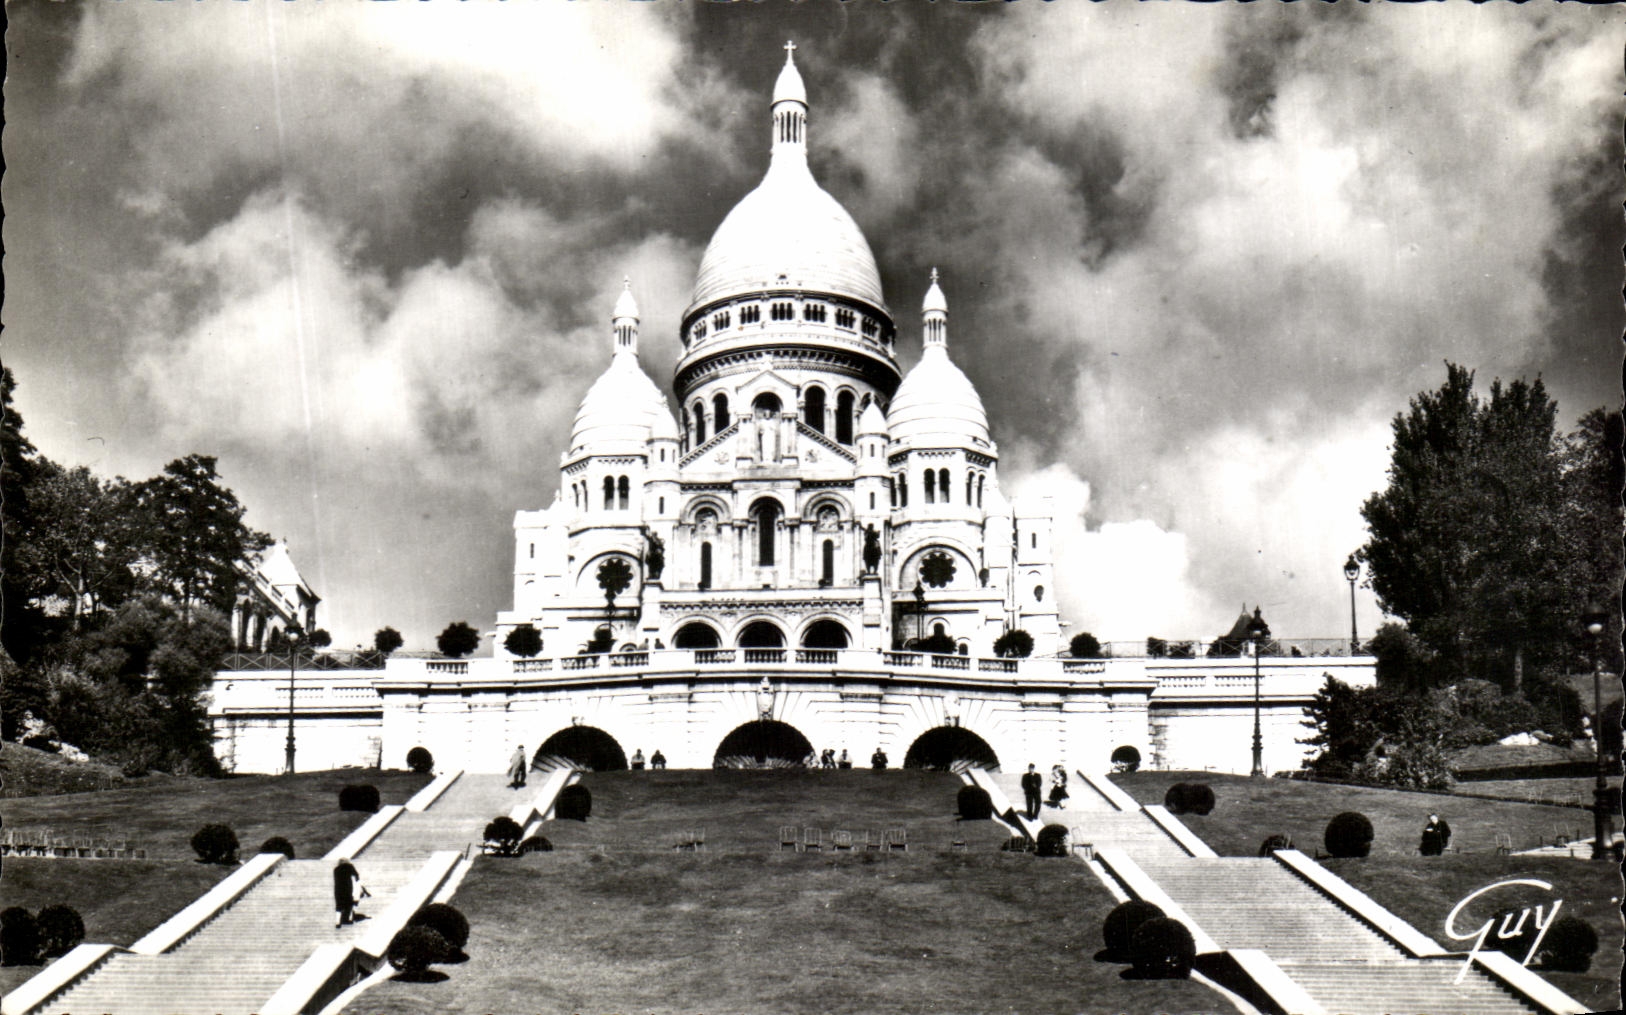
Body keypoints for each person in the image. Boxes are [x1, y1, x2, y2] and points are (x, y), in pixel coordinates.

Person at [333, 857, 368, 927]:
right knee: (349, 904)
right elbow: (356, 875)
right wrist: (360, 887)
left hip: (338, 889)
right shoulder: (349, 867)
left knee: (339, 906)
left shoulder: (336, 869)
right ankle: (349, 919)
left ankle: (337, 922)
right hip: (347, 888)